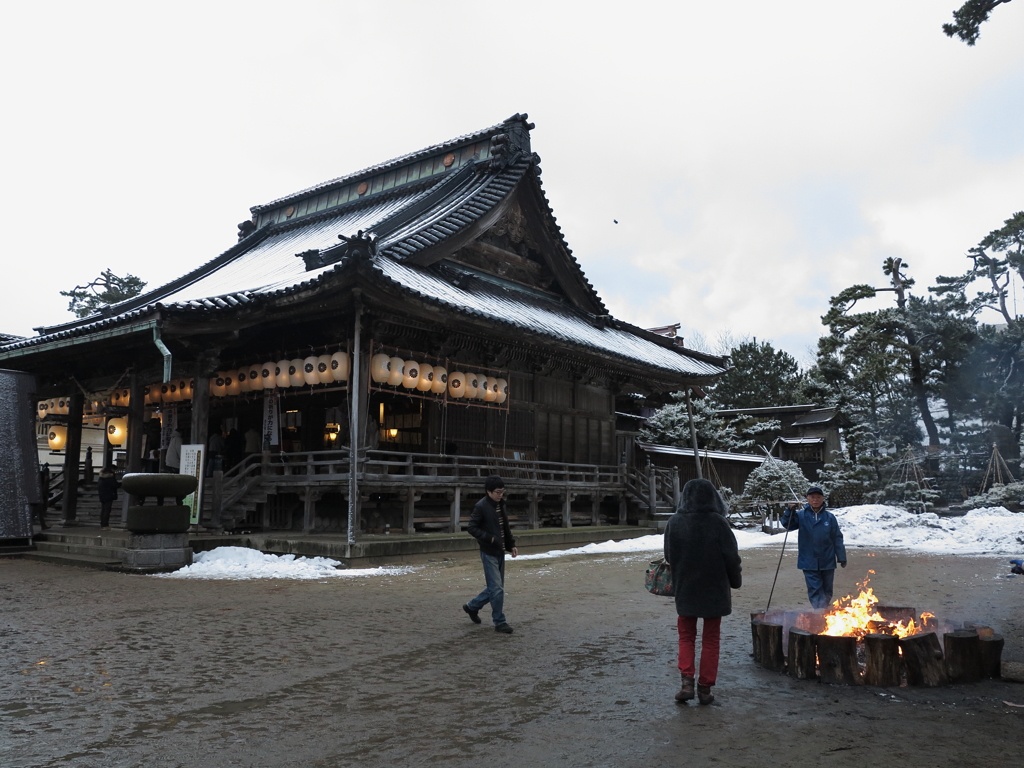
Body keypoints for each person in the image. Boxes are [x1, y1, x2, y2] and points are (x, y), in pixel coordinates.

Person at [664, 478, 743, 706]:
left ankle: (686, 683)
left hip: (686, 587)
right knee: (711, 639)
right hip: (714, 588)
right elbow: (731, 558)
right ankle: (705, 689)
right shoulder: (718, 523)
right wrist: (735, 581)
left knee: (686, 636)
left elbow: (669, 556)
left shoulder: (674, 522)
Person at [463, 475, 518, 634]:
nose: (500, 494)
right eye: (497, 492)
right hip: (488, 551)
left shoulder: (501, 504)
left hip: (500, 550)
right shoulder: (481, 506)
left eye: (502, 491)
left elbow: (505, 527)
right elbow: (471, 527)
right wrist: (490, 538)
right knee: (497, 588)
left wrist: (511, 544)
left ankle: (472, 606)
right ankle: (499, 622)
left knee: (496, 588)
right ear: (488, 491)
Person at [782, 485, 847, 611]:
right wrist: (789, 511)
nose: (815, 500)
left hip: (827, 560)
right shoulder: (800, 515)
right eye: (812, 497)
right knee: (815, 588)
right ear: (807, 499)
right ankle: (819, 612)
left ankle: (824, 608)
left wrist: (841, 556)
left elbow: (837, 537)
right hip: (808, 560)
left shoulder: (830, 517)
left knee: (827, 589)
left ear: (823, 499)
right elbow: (788, 525)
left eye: (818, 497)